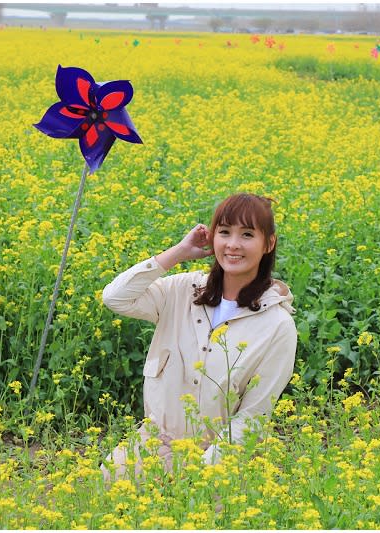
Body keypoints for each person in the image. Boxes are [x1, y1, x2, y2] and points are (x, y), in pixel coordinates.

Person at [100, 193, 297, 480]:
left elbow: (253, 415)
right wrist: (177, 252)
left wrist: (200, 473)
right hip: (157, 442)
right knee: (107, 488)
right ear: (212, 237)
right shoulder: (182, 290)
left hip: (225, 457)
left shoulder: (278, 325)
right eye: (225, 232)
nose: (233, 245)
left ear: (269, 243)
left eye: (247, 234)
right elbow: (115, 298)